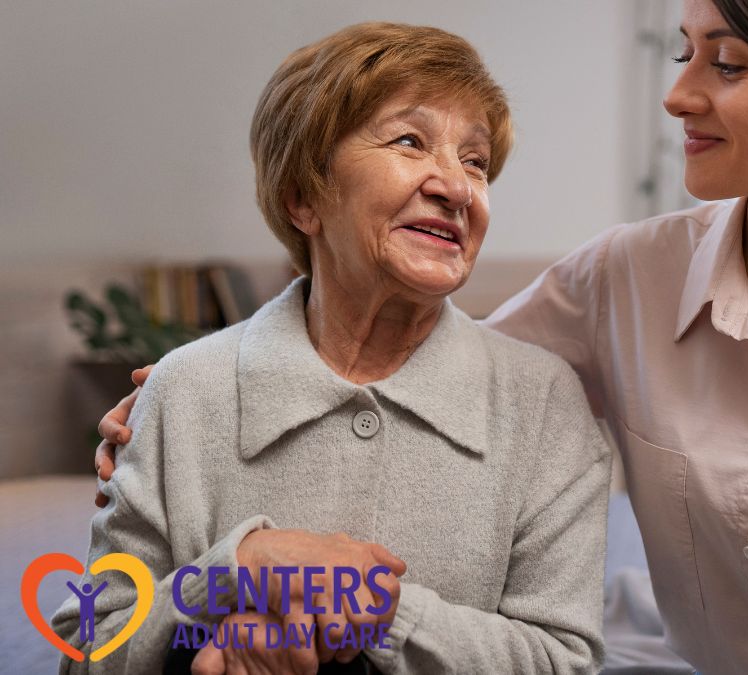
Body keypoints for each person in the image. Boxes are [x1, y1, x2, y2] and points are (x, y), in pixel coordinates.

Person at [96, 0, 748, 672]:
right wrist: (179, 410)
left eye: (728, 63)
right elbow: (425, 370)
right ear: (303, 193)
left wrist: (366, 608)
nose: (679, 94)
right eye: (683, 53)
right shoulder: (621, 278)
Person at [57, 21, 611, 675]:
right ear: (302, 199)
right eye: (410, 140)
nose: (459, 188)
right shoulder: (182, 390)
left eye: (476, 161)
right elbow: (86, 643)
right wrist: (235, 572)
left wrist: (374, 606)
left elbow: (565, 661)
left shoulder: (543, 401)